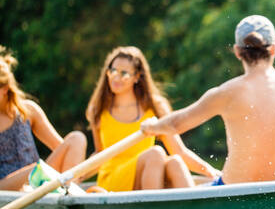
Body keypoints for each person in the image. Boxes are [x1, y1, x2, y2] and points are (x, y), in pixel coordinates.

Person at [141, 15, 275, 184]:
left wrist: (151, 126)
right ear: (273, 49)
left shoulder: (227, 93)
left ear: (237, 51)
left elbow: (176, 124)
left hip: (233, 192)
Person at [86, 46, 219, 192]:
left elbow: (179, 151)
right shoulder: (98, 109)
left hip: (147, 173)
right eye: (112, 71)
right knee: (155, 153)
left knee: (175, 162)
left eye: (124, 73)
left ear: (136, 76)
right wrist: (76, 176)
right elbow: (99, 154)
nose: (116, 77)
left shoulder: (155, 108)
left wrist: (211, 172)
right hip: (112, 181)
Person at [0, 46, 87, 191]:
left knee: (77, 138)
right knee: (33, 170)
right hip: (6, 189)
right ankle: (65, 190)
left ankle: (70, 193)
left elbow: (62, 149)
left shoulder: (28, 110)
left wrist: (82, 168)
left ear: (4, 89)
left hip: (39, 181)